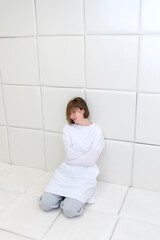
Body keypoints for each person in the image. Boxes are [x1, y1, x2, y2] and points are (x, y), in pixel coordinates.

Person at [39, 97, 105, 218]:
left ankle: (70, 198)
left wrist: (75, 159)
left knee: (70, 211)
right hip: (66, 173)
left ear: (83, 110)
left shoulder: (96, 131)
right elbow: (69, 155)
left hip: (85, 175)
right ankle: (65, 195)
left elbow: (92, 159)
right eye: (70, 114)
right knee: (45, 204)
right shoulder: (68, 129)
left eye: (74, 111)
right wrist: (84, 155)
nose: (72, 116)